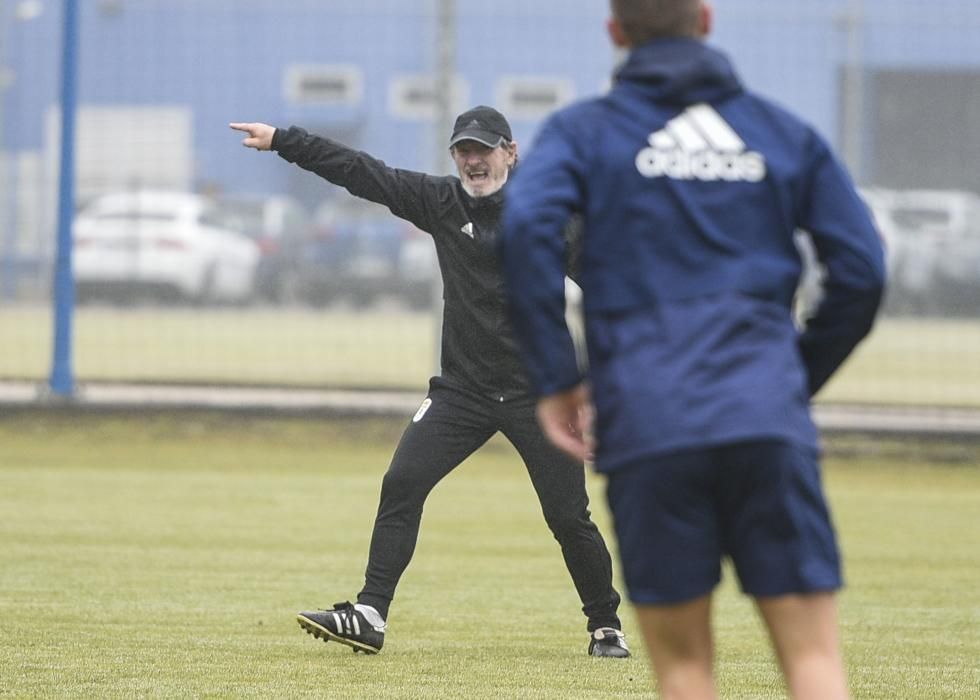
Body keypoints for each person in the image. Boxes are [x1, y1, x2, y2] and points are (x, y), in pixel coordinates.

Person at [500, 1, 886, 698]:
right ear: (706, 21)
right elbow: (862, 270)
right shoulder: (780, 131)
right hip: (766, 420)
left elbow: (525, 229)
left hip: (651, 425)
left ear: (615, 32)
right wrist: (791, 376)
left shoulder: (583, 132)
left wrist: (557, 379)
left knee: (684, 671)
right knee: (814, 663)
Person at [228, 106, 629, 658]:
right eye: (463, 149)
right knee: (402, 484)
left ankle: (605, 627)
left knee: (567, 516)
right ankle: (369, 614)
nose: (473, 159)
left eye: (484, 149)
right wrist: (283, 141)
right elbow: (361, 171)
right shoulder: (441, 202)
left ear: (510, 153)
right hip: (462, 392)